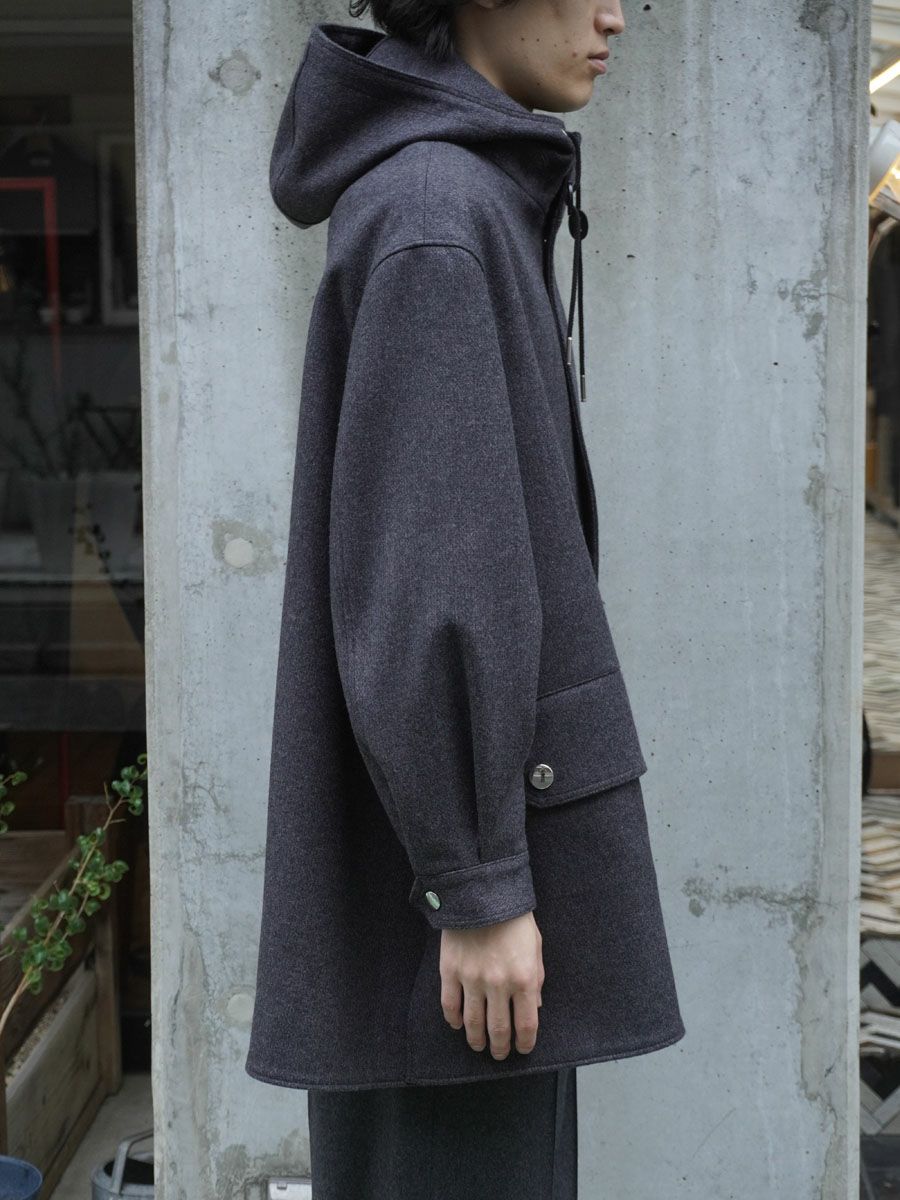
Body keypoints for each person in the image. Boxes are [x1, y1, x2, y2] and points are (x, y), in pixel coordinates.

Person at [245, 3, 686, 1197]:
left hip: (457, 879)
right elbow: (429, 585)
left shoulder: (460, 195)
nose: (615, 14)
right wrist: (478, 885)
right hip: (455, 908)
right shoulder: (437, 215)